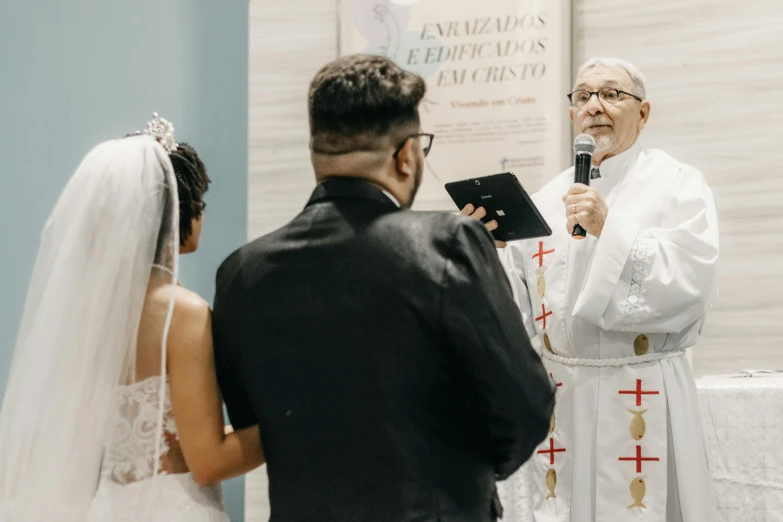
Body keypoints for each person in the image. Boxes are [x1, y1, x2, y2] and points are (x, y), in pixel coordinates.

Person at [211, 54, 555, 522]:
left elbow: (256, 426)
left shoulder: (240, 273)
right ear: (407, 153)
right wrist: (459, 475)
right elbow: (526, 406)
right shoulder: (446, 243)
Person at [468, 57, 719, 521]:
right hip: (565, 400)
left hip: (644, 387)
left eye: (611, 94)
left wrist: (609, 227)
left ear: (643, 114)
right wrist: (486, 252)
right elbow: (518, 315)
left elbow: (691, 283)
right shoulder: (544, 201)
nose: (594, 106)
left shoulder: (678, 185)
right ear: (571, 115)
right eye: (583, 96)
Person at [0, 114, 264, 522]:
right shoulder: (182, 313)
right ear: (180, 211)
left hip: (108, 507)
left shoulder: (86, 315)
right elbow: (208, 461)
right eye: (200, 204)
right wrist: (291, 423)